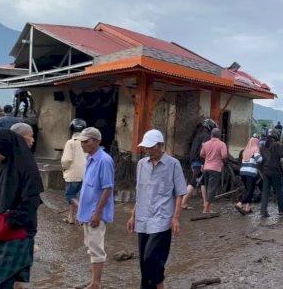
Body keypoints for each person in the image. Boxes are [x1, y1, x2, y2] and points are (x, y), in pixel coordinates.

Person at [0, 129, 43, 289]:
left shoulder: (26, 168)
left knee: (2, 279)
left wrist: (11, 220)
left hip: (16, 231)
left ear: (5, 146)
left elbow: (31, 201)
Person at [127, 129, 187, 289]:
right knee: (143, 263)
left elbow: (180, 193)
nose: (147, 150)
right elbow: (140, 192)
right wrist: (133, 216)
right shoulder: (141, 165)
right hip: (143, 218)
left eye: (151, 147)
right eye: (146, 147)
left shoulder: (173, 164)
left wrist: (176, 217)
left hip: (162, 219)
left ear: (160, 146)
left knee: (150, 257)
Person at [76, 127, 115, 289]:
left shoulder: (104, 160)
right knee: (90, 246)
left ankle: (96, 283)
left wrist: (97, 212)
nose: (82, 144)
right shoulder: (90, 158)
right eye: (82, 141)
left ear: (97, 141)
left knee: (96, 247)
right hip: (87, 211)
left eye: (86, 141)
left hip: (95, 213)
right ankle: (93, 280)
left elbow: (107, 188)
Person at [181, 119, 216, 210]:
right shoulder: (206, 136)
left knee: (202, 182)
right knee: (194, 182)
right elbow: (204, 150)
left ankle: (205, 203)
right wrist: (202, 163)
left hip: (194, 161)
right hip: (199, 162)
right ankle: (182, 202)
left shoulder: (198, 135)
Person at [61, 118, 87, 224]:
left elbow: (66, 160)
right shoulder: (86, 142)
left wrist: (65, 167)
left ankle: (85, 212)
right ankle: (71, 217)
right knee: (77, 196)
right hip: (85, 173)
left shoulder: (71, 142)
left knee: (70, 196)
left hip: (73, 173)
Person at [260, 129, 283, 217]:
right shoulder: (276, 144)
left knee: (265, 192)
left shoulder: (264, 145)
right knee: (278, 190)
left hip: (266, 171)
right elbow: (282, 154)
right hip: (275, 171)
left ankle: (263, 211)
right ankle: (281, 210)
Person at [200, 128, 228, 214]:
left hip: (206, 167)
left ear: (211, 135)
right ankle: (206, 208)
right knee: (212, 189)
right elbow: (224, 155)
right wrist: (218, 158)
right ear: (219, 136)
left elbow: (201, 154)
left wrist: (208, 157)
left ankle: (208, 208)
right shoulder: (222, 144)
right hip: (215, 168)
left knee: (208, 187)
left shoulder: (206, 144)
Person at [236, 136, 262, 215]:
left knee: (248, 190)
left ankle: (248, 207)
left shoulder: (245, 150)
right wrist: (262, 157)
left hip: (243, 173)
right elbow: (259, 159)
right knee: (250, 191)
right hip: (250, 173)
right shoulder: (255, 149)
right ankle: (240, 204)